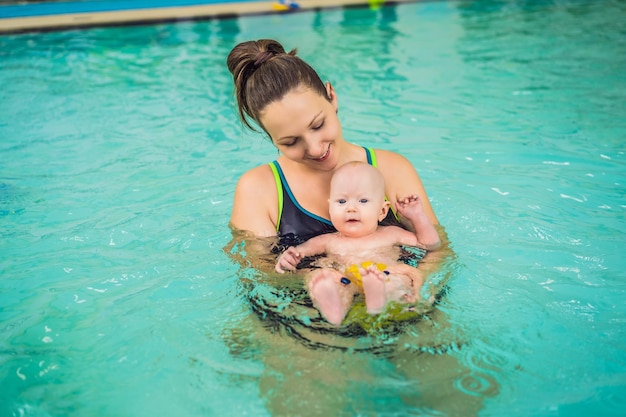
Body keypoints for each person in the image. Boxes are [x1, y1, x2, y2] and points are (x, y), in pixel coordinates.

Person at [226, 38, 444, 318]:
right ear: (272, 139)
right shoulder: (258, 189)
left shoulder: (392, 169)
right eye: (291, 142)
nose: (316, 148)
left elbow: (439, 250)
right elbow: (256, 275)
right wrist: (309, 279)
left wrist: (414, 275)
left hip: (401, 304)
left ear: (332, 96)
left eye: (318, 125)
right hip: (306, 319)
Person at [275, 161, 440, 325]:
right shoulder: (327, 240)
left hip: (385, 274)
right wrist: (288, 258)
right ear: (330, 207)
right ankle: (334, 309)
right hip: (347, 279)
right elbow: (299, 252)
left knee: (400, 278)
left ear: (382, 211)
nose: (351, 208)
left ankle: (379, 299)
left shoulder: (391, 233)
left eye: (363, 201)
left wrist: (418, 216)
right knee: (323, 278)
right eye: (341, 202)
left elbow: (428, 244)